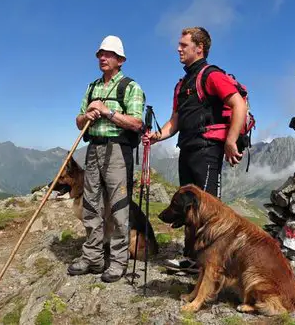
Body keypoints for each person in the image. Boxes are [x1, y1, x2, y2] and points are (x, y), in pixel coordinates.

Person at [143, 26, 248, 273]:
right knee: (190, 210)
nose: (178, 49)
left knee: (209, 211)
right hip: (187, 150)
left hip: (208, 150)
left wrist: (230, 140)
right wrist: (157, 136)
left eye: (183, 45)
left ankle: (212, 266)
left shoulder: (211, 75)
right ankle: (192, 259)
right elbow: (176, 120)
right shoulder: (182, 85)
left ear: (199, 48)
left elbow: (238, 104)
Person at [68, 35, 145, 283]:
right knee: (91, 204)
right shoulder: (92, 87)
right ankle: (93, 257)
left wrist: (107, 112)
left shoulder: (130, 87)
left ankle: (119, 261)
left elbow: (136, 123)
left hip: (117, 151)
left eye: (109, 54)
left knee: (119, 206)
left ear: (120, 60)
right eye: (100, 53)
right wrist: (87, 115)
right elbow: (79, 120)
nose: (102, 57)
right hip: (94, 149)